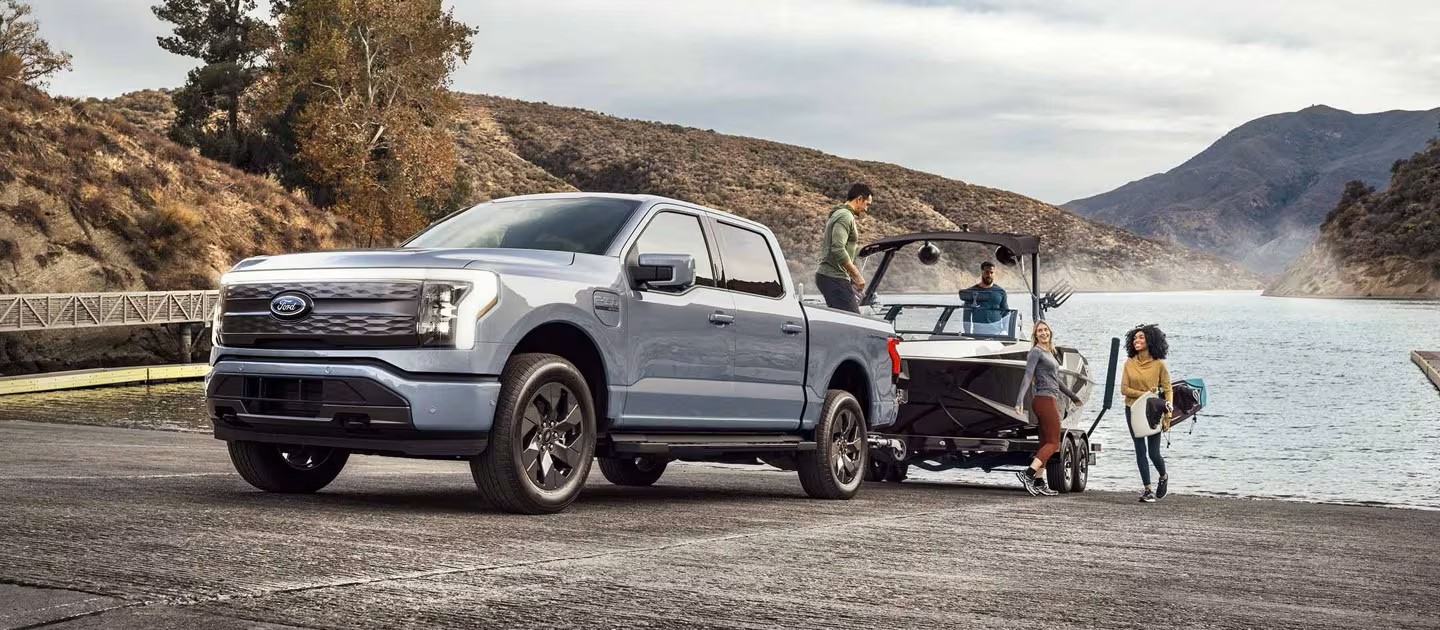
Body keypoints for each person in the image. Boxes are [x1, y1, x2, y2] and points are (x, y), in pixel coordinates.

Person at [1013, 320, 1083, 496]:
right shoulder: (1035, 352)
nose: (1043, 333)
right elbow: (1028, 375)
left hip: (1049, 398)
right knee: (1053, 443)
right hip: (1044, 400)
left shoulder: (1049, 352)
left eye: (1046, 330)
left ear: (1050, 332)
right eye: (1039, 331)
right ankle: (1028, 474)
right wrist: (1019, 400)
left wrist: (1073, 397)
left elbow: (1056, 380)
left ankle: (1038, 481)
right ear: (1035, 335)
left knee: (1045, 443)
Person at [1121, 323, 1173, 503]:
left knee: (1153, 453)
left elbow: (1168, 390)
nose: (1137, 340)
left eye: (1141, 337)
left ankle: (1163, 476)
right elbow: (1124, 389)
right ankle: (1147, 489)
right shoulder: (1129, 362)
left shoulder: (1159, 364)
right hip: (1132, 409)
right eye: (1135, 338)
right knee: (1140, 450)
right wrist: (1145, 395)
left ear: (1150, 340)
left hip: (1154, 411)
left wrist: (1168, 416)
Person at [814, 183, 873, 313]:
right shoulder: (845, 216)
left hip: (834, 276)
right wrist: (857, 275)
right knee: (853, 321)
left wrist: (850, 279)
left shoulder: (842, 214)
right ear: (859, 199)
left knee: (846, 320)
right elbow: (838, 248)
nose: (866, 209)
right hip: (833, 276)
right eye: (867, 204)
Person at [963, 261, 1009, 334]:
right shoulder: (971, 292)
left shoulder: (1000, 292)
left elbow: (1005, 314)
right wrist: (967, 334)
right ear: (982, 272)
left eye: (991, 272)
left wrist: (1005, 331)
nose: (989, 275)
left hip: (997, 334)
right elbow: (966, 317)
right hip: (978, 334)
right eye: (987, 272)